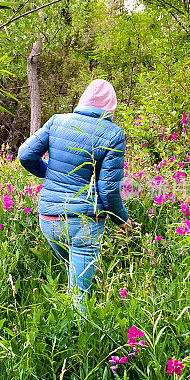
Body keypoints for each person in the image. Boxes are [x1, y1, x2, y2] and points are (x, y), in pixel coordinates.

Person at [18, 78, 132, 316]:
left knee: (72, 279)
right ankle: (75, 345)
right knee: (80, 294)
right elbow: (109, 190)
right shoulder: (113, 134)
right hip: (83, 222)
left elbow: (26, 155)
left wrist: (50, 173)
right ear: (111, 105)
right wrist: (122, 220)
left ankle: (61, 335)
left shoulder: (57, 121)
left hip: (49, 218)